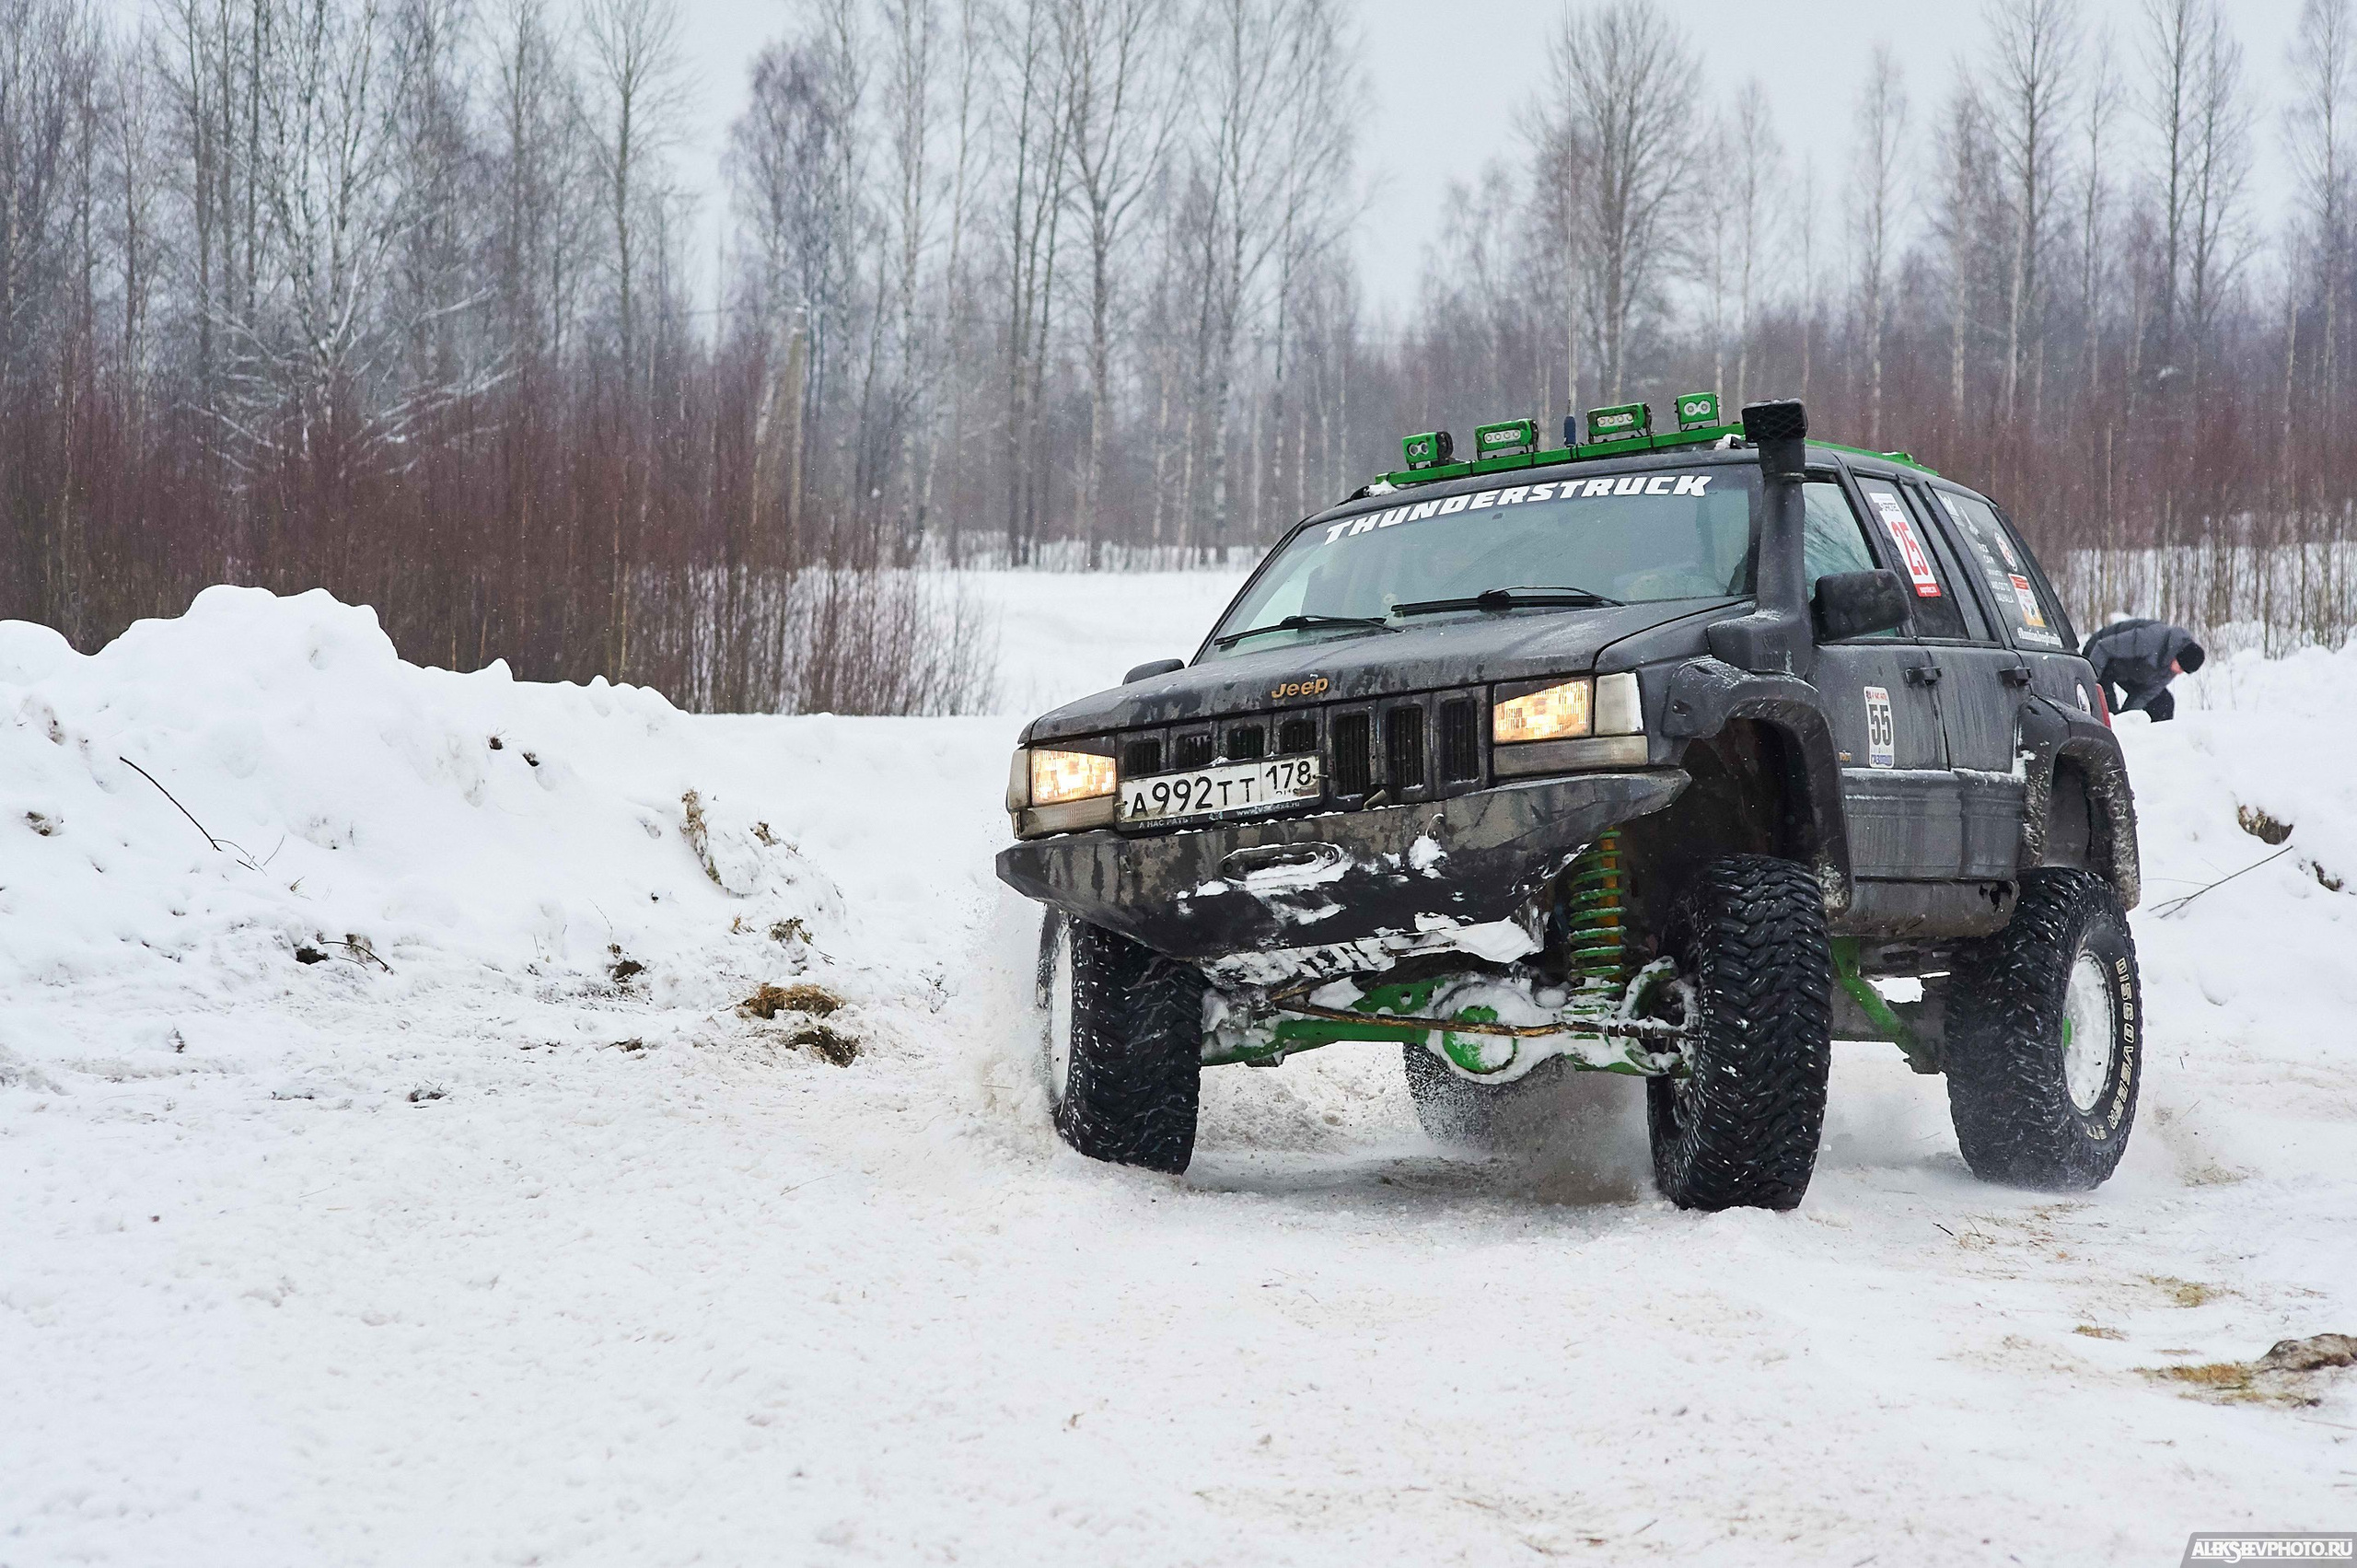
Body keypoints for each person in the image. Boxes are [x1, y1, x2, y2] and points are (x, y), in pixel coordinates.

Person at [2080, 617, 2205, 722]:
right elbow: (2103, 647)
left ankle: (2151, 739)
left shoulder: (2170, 669)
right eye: (2181, 668)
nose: (2180, 672)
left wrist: (2126, 718)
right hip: (2099, 653)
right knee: (2106, 712)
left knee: (2164, 703)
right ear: (2176, 655)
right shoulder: (2151, 639)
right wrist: (2090, 682)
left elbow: (2144, 695)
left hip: (2127, 669)